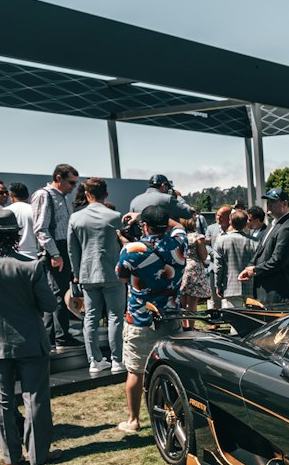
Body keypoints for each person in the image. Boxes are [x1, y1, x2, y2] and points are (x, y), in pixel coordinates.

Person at [0, 208, 59, 465]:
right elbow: (50, 304)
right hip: (30, 340)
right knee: (35, 399)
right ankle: (37, 455)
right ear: (15, 235)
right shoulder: (30, 266)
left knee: (1, 401)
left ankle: (11, 457)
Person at [116, 203, 187, 434]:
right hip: (170, 315)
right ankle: (174, 410)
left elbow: (122, 277)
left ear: (144, 226)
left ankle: (134, 420)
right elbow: (180, 228)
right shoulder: (178, 243)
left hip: (140, 318)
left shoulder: (132, 250)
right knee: (171, 368)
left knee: (136, 370)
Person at [68, 176, 126, 375]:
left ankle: (94, 361)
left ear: (86, 194)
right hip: (113, 272)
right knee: (115, 317)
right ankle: (118, 360)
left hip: (87, 273)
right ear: (106, 194)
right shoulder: (115, 216)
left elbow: (71, 249)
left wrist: (76, 273)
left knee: (90, 318)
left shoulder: (75, 218)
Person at [31, 162, 81, 350]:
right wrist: (55, 253)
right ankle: (60, 336)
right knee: (58, 294)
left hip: (62, 248)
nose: (73, 187)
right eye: (71, 183)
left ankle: (53, 335)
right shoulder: (44, 195)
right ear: (58, 178)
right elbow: (40, 228)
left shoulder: (62, 197)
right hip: (55, 249)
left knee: (59, 292)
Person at [238, 189, 289, 303]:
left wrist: (256, 270)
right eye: (268, 201)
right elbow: (260, 250)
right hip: (267, 290)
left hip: (279, 292)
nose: (269, 204)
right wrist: (250, 266)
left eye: (273, 201)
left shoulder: (287, 228)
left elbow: (278, 261)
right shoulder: (273, 224)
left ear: (285, 204)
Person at [214, 209, 258, 307]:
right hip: (251, 287)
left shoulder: (221, 240)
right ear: (246, 223)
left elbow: (218, 266)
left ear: (230, 222)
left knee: (234, 319)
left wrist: (218, 285)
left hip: (230, 287)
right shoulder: (255, 242)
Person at [178, 217, 211, 328]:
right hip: (194, 268)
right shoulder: (198, 237)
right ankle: (190, 326)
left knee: (182, 301)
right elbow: (203, 256)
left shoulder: (178, 237)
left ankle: (183, 324)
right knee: (192, 302)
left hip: (181, 267)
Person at [129, 175, 195, 224]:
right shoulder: (167, 199)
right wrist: (179, 197)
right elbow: (188, 214)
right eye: (168, 187)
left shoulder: (134, 201)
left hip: (142, 240)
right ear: (163, 186)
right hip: (164, 240)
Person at [8, 183, 39, 256]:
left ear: (11, 195)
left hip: (11, 255)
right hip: (32, 255)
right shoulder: (36, 211)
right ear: (28, 195)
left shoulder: (5, 211)